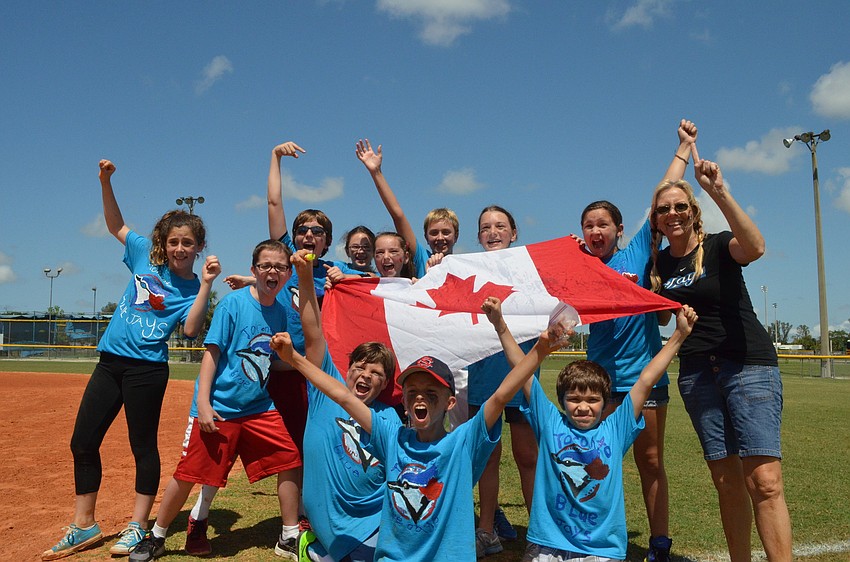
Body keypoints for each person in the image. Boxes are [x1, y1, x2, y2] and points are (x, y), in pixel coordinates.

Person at [269, 311, 562, 562]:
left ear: (450, 402)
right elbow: (343, 397)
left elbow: (500, 396)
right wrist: (294, 358)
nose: (421, 398)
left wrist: (540, 350)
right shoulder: (391, 437)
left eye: (431, 393)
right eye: (413, 393)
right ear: (405, 403)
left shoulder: (462, 443)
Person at [42, 160, 220, 561]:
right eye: (174, 241)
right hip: (109, 363)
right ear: (165, 241)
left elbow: (191, 330)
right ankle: (84, 525)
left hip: (147, 371)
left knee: (142, 446)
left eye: (187, 243)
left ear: (198, 247)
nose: (179, 248)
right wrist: (105, 182)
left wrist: (207, 285)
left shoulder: (194, 285)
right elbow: (115, 224)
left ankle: (139, 527)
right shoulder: (143, 255)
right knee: (83, 440)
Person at [649, 159, 792, 562]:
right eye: (663, 209)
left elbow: (756, 247)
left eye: (679, 206)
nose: (672, 214)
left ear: (693, 212)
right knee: (727, 482)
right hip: (697, 375)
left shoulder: (718, 245)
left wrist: (718, 190)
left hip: (747, 366)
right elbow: (658, 315)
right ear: (656, 222)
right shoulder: (659, 266)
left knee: (764, 481)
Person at [483, 297, 696, 562]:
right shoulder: (550, 422)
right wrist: (500, 325)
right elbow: (521, 371)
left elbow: (645, 379)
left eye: (593, 400)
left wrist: (679, 334)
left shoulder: (615, 429)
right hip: (548, 545)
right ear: (561, 401)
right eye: (574, 399)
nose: (583, 407)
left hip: (601, 550)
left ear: (606, 403)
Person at [129, 240, 302, 561]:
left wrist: (297, 361)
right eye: (265, 265)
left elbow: (270, 361)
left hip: (257, 407)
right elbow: (212, 355)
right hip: (220, 407)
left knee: (289, 460)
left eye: (280, 266)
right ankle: (157, 536)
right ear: (254, 270)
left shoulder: (280, 313)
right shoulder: (233, 305)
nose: (272, 271)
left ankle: (289, 535)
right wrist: (205, 404)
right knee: (188, 474)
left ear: (289, 273)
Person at [577, 119, 697, 562]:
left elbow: (663, 194)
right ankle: (595, 536)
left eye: (603, 223)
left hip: (645, 377)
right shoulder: (579, 267)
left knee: (649, 462)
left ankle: (659, 543)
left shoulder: (635, 254)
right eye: (588, 225)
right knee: (596, 463)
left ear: (620, 228)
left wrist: (683, 149)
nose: (595, 230)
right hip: (598, 385)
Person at [290, 247, 402, 562]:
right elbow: (314, 334)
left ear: (384, 383)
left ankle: (320, 551)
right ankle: (318, 544)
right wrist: (305, 276)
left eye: (376, 373)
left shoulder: (389, 417)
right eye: (360, 367)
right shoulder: (326, 389)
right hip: (329, 515)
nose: (365, 375)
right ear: (348, 368)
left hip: (373, 519)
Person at [468, 205, 535, 555]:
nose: (493, 232)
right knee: (487, 459)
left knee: (529, 457)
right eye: (485, 227)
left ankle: (540, 531)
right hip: (483, 379)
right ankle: (486, 529)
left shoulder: (533, 268)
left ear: (514, 231)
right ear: (478, 236)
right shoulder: (466, 269)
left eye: (500, 225)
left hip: (522, 376)